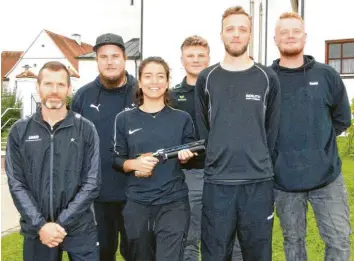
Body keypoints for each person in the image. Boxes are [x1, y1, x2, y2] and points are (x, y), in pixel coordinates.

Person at [194, 6, 281, 261]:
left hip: (257, 183)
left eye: (242, 29)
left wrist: (259, 160)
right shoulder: (207, 78)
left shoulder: (267, 78)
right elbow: (204, 129)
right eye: (230, 29)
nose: (236, 34)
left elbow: (272, 132)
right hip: (218, 183)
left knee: (258, 254)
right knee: (214, 254)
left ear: (250, 35)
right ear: (221, 34)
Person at [271, 12, 352, 261]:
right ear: (275, 39)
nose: (290, 36)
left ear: (305, 37)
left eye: (296, 31)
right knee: (293, 243)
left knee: (339, 241)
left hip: (327, 178)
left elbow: (342, 118)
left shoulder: (327, 75)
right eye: (284, 32)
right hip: (284, 181)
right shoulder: (265, 79)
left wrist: (319, 145)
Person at [5, 61, 101, 261]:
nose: (54, 91)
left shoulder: (86, 129)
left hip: (80, 227)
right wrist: (41, 225)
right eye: (48, 84)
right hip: (37, 229)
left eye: (60, 85)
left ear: (69, 88)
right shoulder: (20, 131)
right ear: (37, 87)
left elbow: (92, 183)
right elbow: (16, 184)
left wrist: (61, 223)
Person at [112, 56, 197, 261]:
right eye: (148, 76)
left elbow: (191, 155)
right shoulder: (124, 119)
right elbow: (116, 160)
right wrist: (134, 164)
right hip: (137, 204)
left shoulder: (182, 119)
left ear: (167, 82)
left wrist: (186, 158)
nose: (154, 82)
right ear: (140, 82)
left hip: (173, 202)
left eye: (160, 76)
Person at [170, 35, 243, 261]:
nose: (196, 60)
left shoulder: (224, 89)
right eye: (190, 56)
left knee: (230, 236)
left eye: (201, 55)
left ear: (209, 58)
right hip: (190, 174)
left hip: (225, 173)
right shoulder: (172, 96)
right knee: (189, 237)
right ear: (181, 59)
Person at [71, 33, 137, 261]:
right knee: (101, 254)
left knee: (138, 254)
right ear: (96, 60)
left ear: (125, 58)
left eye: (115, 56)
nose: (110, 62)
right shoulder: (83, 96)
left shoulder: (141, 92)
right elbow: (73, 144)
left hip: (136, 194)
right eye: (103, 57)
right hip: (96, 196)